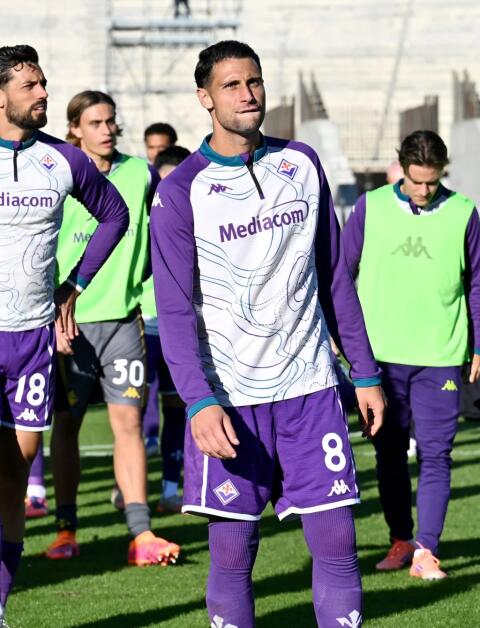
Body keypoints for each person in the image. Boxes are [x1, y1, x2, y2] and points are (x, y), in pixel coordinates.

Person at [151, 41, 385, 627]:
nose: (248, 94)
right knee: (233, 555)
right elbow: (175, 312)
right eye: (231, 85)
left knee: (337, 543)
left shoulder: (301, 164)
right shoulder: (182, 192)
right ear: (205, 98)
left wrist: (365, 373)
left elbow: (333, 278)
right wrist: (199, 402)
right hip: (230, 402)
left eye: (254, 81)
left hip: (310, 390)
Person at [0, 45, 128, 627]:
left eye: (44, 84)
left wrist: (75, 286)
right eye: (31, 86)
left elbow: (113, 215)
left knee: (16, 474)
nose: (43, 94)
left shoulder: (64, 160)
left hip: (34, 339)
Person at [45, 91, 181, 564]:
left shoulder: (139, 174)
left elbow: (158, 237)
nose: (106, 129)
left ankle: (141, 534)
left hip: (124, 321)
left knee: (128, 424)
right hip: (70, 325)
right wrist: (52, 313)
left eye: (111, 121)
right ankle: (66, 529)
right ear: (75, 128)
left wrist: (146, 294)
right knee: (67, 424)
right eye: (95, 122)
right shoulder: (58, 173)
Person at [344, 130, 480, 580]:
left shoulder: (463, 212)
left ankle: (427, 550)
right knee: (389, 455)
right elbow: (343, 273)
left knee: (437, 455)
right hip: (380, 358)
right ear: (401, 167)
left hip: (441, 354)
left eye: (433, 181)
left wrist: (478, 343)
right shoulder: (371, 207)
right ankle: (401, 539)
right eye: (417, 181)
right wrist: (348, 343)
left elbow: (477, 282)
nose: (424, 190)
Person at [141, 144, 190, 514]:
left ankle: (171, 489)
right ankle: (130, 489)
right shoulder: (143, 221)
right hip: (142, 328)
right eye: (164, 183)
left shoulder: (201, 218)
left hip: (183, 332)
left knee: (176, 411)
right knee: (131, 415)